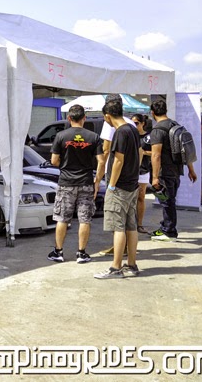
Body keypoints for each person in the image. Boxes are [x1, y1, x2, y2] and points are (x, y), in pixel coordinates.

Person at [47, 104, 103, 264]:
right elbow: (101, 161)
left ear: (69, 118)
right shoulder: (94, 137)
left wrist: (65, 165)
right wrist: (97, 181)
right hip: (86, 182)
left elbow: (54, 161)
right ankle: (81, 253)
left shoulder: (61, 136)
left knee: (62, 218)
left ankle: (58, 252)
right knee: (85, 219)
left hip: (66, 182)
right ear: (84, 118)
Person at [94, 99, 141, 279]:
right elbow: (139, 153)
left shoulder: (121, 132)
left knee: (118, 227)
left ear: (108, 116)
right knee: (131, 226)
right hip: (132, 184)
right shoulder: (132, 129)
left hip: (120, 186)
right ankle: (132, 264)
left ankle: (116, 268)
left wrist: (111, 185)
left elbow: (118, 161)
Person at [148, 99, 198, 241]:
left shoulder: (157, 130)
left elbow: (156, 155)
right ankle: (165, 226)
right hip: (177, 170)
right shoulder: (175, 125)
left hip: (165, 172)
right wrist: (191, 169)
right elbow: (186, 149)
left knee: (167, 202)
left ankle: (169, 231)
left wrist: (155, 177)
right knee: (169, 200)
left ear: (152, 112)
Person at [131, 113, 153, 234]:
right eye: (132, 123)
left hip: (143, 170)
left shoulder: (148, 137)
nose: (134, 125)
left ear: (142, 123)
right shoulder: (130, 134)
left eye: (136, 123)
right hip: (130, 170)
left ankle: (139, 224)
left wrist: (143, 152)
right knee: (130, 198)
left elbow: (155, 152)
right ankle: (130, 224)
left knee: (141, 197)